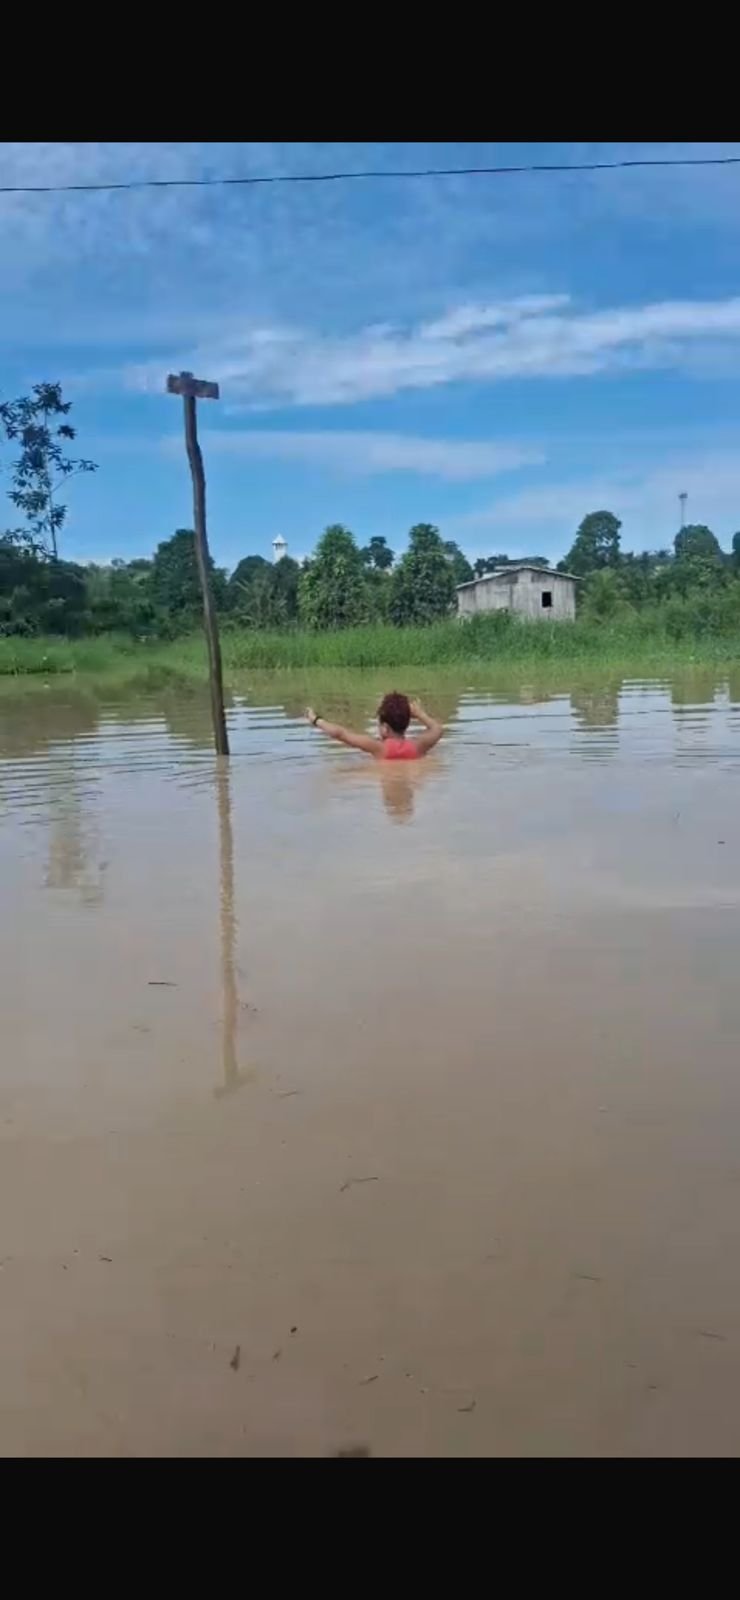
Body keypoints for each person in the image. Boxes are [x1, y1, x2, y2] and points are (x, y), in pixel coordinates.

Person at [305, 691, 443, 760]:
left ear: (385, 728)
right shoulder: (418, 746)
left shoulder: (378, 748)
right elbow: (437, 729)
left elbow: (339, 733)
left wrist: (315, 720)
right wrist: (420, 714)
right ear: (407, 722)